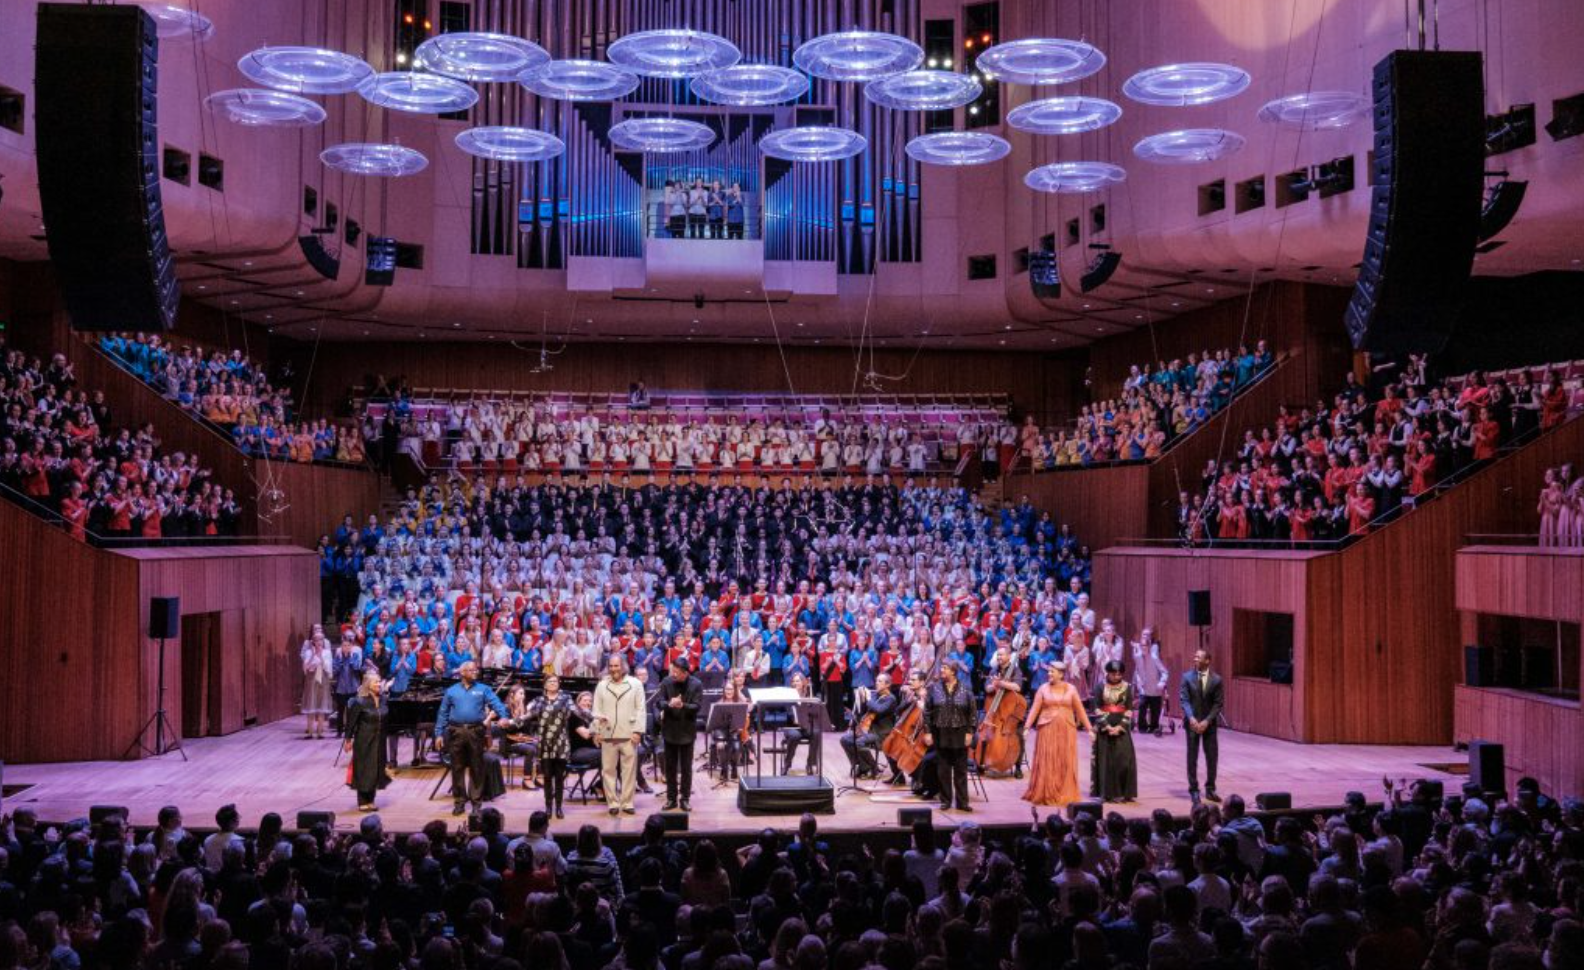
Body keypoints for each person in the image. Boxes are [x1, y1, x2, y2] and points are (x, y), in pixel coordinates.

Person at [434, 660, 512, 816]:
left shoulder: (484, 689)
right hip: (456, 732)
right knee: (457, 768)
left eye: (475, 670)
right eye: (471, 670)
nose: (475, 672)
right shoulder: (451, 691)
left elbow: (497, 704)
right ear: (462, 673)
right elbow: (442, 714)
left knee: (477, 768)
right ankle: (459, 802)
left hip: (476, 732)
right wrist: (438, 734)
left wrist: (503, 716)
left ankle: (476, 803)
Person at [1022, 660, 1094, 806]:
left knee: (1064, 759)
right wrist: (1026, 727)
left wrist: (1089, 729)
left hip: (1066, 730)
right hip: (1047, 729)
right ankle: (1046, 790)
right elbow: (1035, 709)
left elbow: (1080, 710)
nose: (1049, 674)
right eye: (1048, 671)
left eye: (1052, 672)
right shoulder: (1043, 688)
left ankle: (1063, 790)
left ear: (1061, 674)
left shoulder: (1071, 689)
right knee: (1048, 758)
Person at [593, 654, 647, 816]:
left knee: (629, 771)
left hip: (629, 733)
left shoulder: (636, 684)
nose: (613, 669)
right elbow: (597, 710)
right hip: (608, 733)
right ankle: (613, 803)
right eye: (611, 666)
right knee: (608, 771)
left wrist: (638, 731)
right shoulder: (602, 685)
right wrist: (596, 731)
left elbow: (641, 709)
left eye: (616, 666)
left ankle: (627, 802)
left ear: (623, 666)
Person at [923, 660, 976, 812]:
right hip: (941, 733)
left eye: (945, 668)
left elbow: (972, 713)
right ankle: (945, 800)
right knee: (943, 770)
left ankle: (962, 802)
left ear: (953, 671)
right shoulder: (934, 689)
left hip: (960, 733)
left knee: (960, 770)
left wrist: (970, 732)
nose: (942, 670)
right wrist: (927, 731)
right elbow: (927, 712)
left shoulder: (966, 690)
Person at [524, 674, 577, 819]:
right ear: (545, 684)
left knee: (559, 777)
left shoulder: (566, 699)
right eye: (550, 681)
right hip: (545, 743)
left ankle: (559, 808)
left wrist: (595, 717)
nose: (553, 683)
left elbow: (578, 712)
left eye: (555, 681)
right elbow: (526, 716)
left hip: (561, 743)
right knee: (547, 777)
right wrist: (510, 721)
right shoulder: (539, 700)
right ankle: (548, 807)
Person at [1180, 648, 1224, 805]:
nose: (1195, 659)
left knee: (1212, 757)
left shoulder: (1217, 680)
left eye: (1199, 657)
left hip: (1209, 725)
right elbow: (1184, 700)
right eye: (1195, 657)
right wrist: (1191, 718)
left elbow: (1218, 704)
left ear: (1207, 660)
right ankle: (1194, 790)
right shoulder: (1186, 677)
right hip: (1192, 723)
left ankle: (1210, 789)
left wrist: (1206, 721)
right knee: (1192, 757)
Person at [658, 657, 703, 811]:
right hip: (669, 730)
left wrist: (682, 705)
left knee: (686, 768)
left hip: (687, 731)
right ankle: (671, 798)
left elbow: (697, 707)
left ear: (685, 673)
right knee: (670, 768)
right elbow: (659, 702)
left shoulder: (696, 684)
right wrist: (670, 703)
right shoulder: (666, 682)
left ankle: (685, 798)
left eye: (677, 673)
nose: (674, 675)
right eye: (673, 671)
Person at [343, 671, 390, 812]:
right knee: (364, 769)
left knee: (376, 768)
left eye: (379, 681)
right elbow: (351, 723)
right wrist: (348, 739)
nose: (378, 684)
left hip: (379, 740)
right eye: (376, 682)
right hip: (364, 739)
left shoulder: (382, 699)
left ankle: (371, 800)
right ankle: (362, 800)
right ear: (368, 684)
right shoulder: (360, 701)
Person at [1091, 660, 1138, 802]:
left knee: (1125, 759)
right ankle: (1107, 793)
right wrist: (1106, 726)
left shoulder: (1127, 687)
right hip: (1105, 726)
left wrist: (1120, 727)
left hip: (1121, 725)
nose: (1117, 676)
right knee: (1106, 761)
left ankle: (1126, 792)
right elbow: (1096, 708)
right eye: (1113, 674)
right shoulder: (1100, 687)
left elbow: (1129, 708)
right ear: (1108, 673)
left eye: (1119, 674)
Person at [840, 672, 898, 780]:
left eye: (880, 681)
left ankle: (873, 766)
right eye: (876, 681)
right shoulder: (876, 695)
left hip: (882, 733)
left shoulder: (891, 699)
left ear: (888, 684)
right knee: (845, 739)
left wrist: (868, 699)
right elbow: (865, 712)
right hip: (868, 729)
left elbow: (879, 710)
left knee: (859, 742)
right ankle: (862, 766)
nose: (876, 683)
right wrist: (861, 699)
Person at [1131, 628, 1169, 735]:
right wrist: (1139, 682)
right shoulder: (1137, 657)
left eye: (1145, 646)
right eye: (1142, 646)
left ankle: (1153, 727)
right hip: (1144, 688)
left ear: (1149, 646)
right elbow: (1137, 671)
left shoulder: (1154, 657)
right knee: (1142, 707)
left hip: (1155, 689)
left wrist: (1162, 682)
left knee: (1154, 711)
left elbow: (1165, 672)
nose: (1143, 648)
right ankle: (1142, 728)